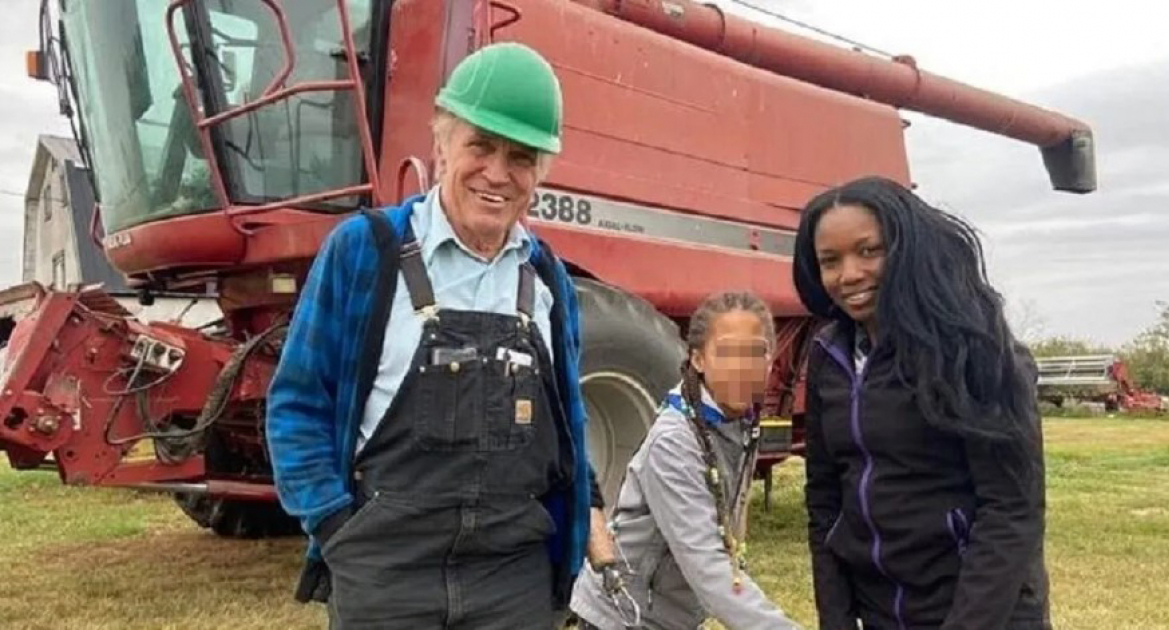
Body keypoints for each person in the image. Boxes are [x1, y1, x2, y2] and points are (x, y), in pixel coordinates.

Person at [266, 42, 613, 629]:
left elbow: (566, 425)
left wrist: (590, 504)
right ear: (442, 145)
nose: (498, 173)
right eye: (480, 145)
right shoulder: (366, 251)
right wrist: (334, 526)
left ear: (540, 172)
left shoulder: (549, 279)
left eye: (521, 157)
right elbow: (298, 403)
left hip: (513, 576)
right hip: (386, 570)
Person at [791, 176, 1050, 630]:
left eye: (869, 250)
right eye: (830, 261)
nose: (848, 274)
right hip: (880, 612)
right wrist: (835, 619)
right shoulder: (828, 355)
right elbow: (825, 501)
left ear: (907, 249)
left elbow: (1011, 511)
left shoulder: (975, 351)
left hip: (981, 614)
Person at [570, 292, 802, 630]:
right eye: (726, 353)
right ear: (698, 360)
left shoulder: (737, 420)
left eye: (755, 353)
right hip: (625, 617)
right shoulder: (673, 442)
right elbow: (707, 567)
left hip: (670, 614)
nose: (742, 367)